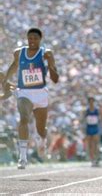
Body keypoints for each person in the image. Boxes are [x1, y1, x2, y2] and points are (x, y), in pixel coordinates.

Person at [2, 28, 59, 169]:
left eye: (35, 38)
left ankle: (43, 141)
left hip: (40, 93)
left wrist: (51, 68)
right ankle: (22, 158)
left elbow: (55, 79)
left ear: (40, 39)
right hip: (24, 92)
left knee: (40, 129)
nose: (32, 41)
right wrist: (5, 81)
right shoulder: (19, 52)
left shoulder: (46, 53)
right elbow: (14, 66)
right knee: (24, 119)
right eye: (30, 38)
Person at [84, 97, 101, 167]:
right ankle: (92, 159)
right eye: (90, 101)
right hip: (89, 127)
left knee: (96, 144)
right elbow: (84, 119)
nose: (91, 103)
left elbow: (99, 119)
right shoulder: (87, 110)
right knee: (90, 145)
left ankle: (97, 157)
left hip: (95, 127)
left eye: (92, 101)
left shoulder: (96, 110)